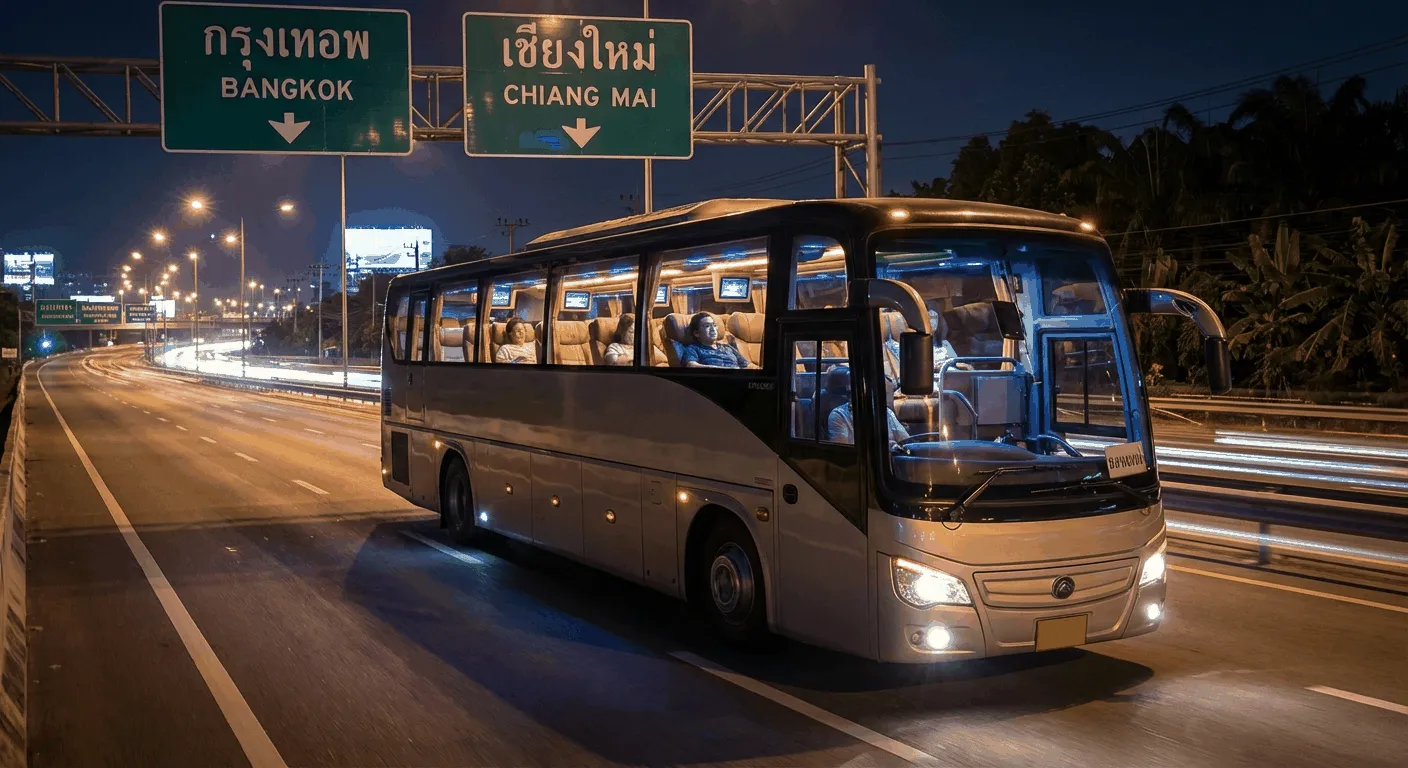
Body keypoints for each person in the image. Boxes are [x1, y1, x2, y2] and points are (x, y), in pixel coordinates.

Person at [825, 366, 910, 449]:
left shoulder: (884, 412)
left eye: (866, 393)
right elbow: (845, 451)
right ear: (847, 394)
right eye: (852, 394)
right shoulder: (838, 416)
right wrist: (887, 445)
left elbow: (905, 440)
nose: (860, 397)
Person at [680, 312, 751, 369]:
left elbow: (746, 365)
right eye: (707, 326)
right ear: (697, 333)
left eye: (714, 325)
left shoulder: (727, 347)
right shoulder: (693, 349)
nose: (713, 329)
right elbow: (691, 366)